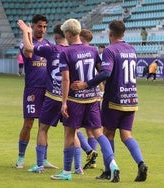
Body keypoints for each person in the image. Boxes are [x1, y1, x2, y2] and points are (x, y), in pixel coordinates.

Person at [73, 20, 148, 182]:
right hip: (131, 98)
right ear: (124, 33)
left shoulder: (110, 50)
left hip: (115, 99)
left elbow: (106, 73)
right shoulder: (131, 49)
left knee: (108, 134)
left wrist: (86, 84)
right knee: (127, 134)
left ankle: (108, 171)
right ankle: (141, 163)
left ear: (110, 34)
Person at [50, 18, 120, 182]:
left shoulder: (65, 53)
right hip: (92, 98)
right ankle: (113, 165)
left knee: (69, 133)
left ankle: (66, 172)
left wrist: (64, 102)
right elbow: (101, 73)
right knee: (98, 133)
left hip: (75, 100)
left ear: (67, 33)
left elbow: (66, 80)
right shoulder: (93, 50)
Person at [17, 20, 67, 173]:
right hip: (32, 89)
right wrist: (26, 33)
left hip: (48, 89)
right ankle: (21, 157)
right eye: (39, 26)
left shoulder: (49, 44)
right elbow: (29, 52)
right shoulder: (25, 43)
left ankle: (43, 158)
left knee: (43, 125)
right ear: (33, 26)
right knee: (28, 123)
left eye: (45, 26)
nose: (42, 29)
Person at [78, 29, 100, 169]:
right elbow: (100, 73)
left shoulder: (76, 51)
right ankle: (92, 160)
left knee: (72, 128)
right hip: (94, 94)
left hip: (79, 94)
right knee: (91, 129)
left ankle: (89, 151)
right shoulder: (94, 51)